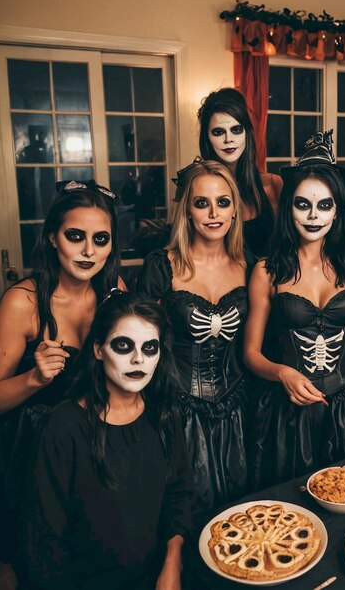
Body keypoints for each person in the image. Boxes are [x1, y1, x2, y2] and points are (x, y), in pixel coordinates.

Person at [19, 291, 194, 589]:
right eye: (123, 346)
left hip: (155, 577)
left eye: (150, 348)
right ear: (99, 349)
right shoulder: (64, 426)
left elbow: (178, 496)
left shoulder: (165, 414)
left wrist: (172, 563)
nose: (139, 359)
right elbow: (45, 539)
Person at [245, 131, 345, 490]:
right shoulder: (266, 270)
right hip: (286, 419)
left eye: (324, 205)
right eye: (302, 204)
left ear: (338, 210)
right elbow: (249, 353)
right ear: (288, 206)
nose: (313, 215)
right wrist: (282, 373)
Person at [0, 180, 123, 563]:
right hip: (35, 453)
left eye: (101, 239)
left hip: (95, 447)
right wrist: (34, 379)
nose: (89, 251)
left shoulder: (112, 291)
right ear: (53, 237)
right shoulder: (23, 302)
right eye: (75, 236)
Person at [137, 160, 251, 511]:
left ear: (235, 210)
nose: (214, 213)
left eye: (223, 202)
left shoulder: (252, 264)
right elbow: (140, 347)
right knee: (183, 513)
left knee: (242, 513)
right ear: (186, 210)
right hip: (176, 410)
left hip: (240, 412)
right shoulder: (162, 266)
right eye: (202, 203)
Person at [197, 87, 282, 257]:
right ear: (207, 138)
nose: (228, 139)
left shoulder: (273, 185)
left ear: (247, 134)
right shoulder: (196, 190)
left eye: (236, 130)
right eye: (219, 132)